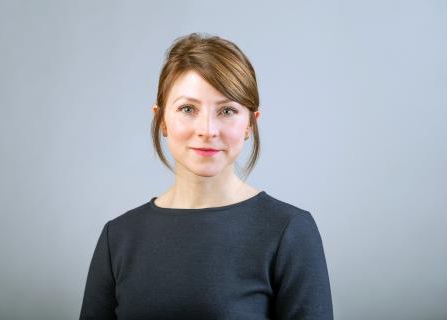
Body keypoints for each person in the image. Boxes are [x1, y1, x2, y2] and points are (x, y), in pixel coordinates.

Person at [79, 32, 334, 320]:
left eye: (227, 110)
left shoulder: (290, 231)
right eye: (188, 109)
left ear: (251, 123)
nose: (208, 130)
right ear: (161, 119)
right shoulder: (119, 237)